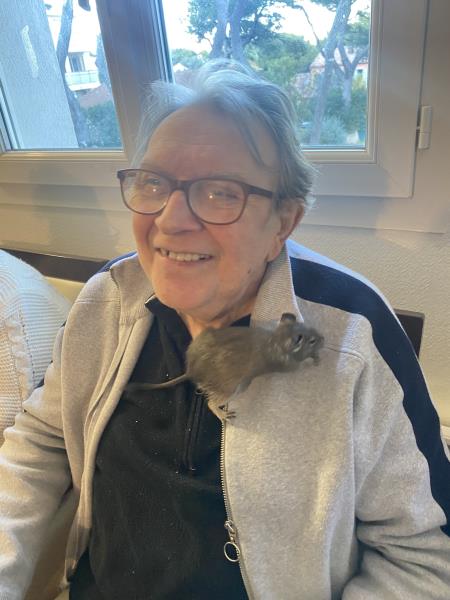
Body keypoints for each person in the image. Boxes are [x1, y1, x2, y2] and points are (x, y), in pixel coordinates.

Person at [1, 61, 449, 600]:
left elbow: (425, 556)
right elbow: (43, 438)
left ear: (283, 221)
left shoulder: (354, 332)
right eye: (154, 183)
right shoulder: (108, 299)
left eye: (220, 192)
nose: (170, 221)